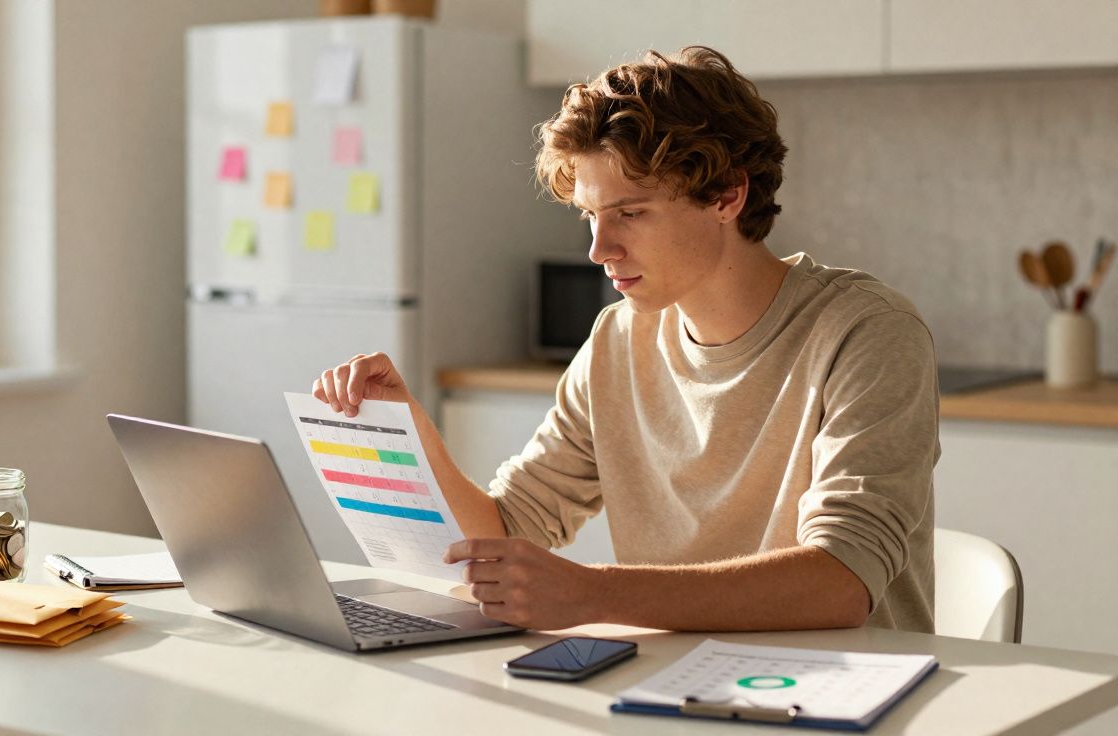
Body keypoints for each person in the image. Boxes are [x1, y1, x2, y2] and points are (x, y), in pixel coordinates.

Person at [312, 47, 938, 634]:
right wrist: (406, 433)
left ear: (727, 195)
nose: (597, 249)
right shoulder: (618, 339)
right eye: (590, 215)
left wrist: (594, 593)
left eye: (630, 213)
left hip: (848, 696)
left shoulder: (865, 332)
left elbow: (841, 581)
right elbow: (508, 527)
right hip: (672, 687)